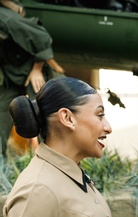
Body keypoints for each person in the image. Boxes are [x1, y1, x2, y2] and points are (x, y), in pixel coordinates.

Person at [3, 76, 113, 217]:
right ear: (67, 118)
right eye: (100, 115)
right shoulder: (38, 191)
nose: (108, 127)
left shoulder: (71, 175)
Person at [0, 0, 64, 157]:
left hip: (34, 72)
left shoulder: (6, 19)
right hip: (10, 76)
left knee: (47, 119)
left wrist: (36, 69)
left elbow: (41, 38)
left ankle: (56, 163)